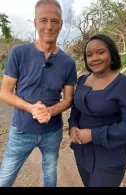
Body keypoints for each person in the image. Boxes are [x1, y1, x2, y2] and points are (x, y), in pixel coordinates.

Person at [0, 0, 77, 187]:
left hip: (52, 132)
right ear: (35, 23)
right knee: (5, 178)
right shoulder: (19, 53)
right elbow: (4, 92)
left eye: (54, 21)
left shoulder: (68, 62)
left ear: (61, 24)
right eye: (43, 20)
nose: (49, 26)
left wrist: (49, 111)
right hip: (21, 130)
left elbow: (68, 99)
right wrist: (31, 108)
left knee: (50, 176)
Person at [68, 34, 126, 187]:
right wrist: (72, 125)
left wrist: (94, 135)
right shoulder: (82, 80)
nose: (94, 58)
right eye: (89, 55)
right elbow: (76, 109)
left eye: (100, 52)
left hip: (109, 157)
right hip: (82, 152)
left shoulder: (124, 85)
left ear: (112, 54)